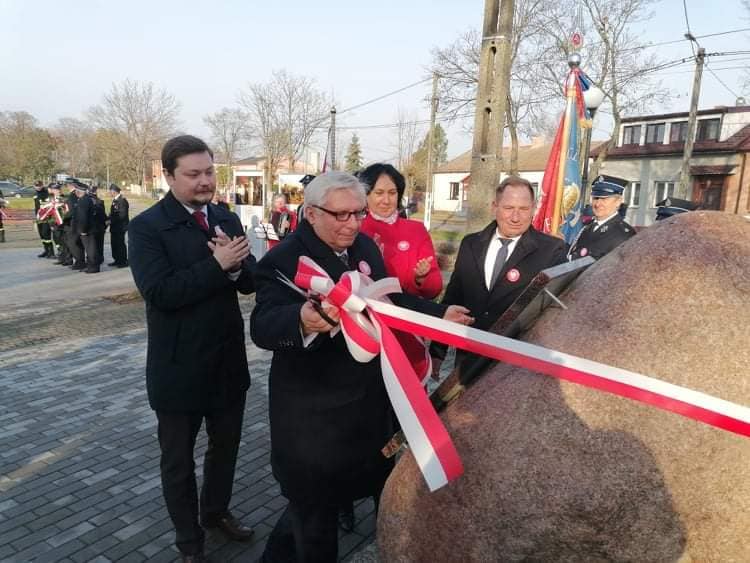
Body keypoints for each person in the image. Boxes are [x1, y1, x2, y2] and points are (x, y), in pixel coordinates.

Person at [250, 171, 472, 563]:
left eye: (357, 213)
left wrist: (439, 315)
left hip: (365, 411)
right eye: (341, 215)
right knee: (314, 521)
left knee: (318, 509)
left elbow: (391, 299)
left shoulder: (364, 246)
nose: (352, 224)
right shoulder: (282, 260)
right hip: (313, 422)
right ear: (312, 213)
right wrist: (301, 320)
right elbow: (263, 326)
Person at [128, 135, 256, 563]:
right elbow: (160, 292)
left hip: (225, 363)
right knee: (178, 462)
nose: (205, 182)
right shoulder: (147, 227)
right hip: (178, 367)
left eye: (209, 172)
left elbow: (251, 280)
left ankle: (216, 512)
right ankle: (189, 542)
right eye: (194, 174)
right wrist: (217, 266)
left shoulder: (226, 218)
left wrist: (237, 268)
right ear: (168, 176)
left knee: (227, 448)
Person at [430, 175, 568, 378]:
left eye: (523, 209)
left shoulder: (551, 250)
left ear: (533, 209)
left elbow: (553, 312)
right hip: (468, 356)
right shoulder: (471, 244)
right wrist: (437, 352)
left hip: (515, 363)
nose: (515, 217)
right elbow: (454, 296)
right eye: (508, 208)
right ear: (494, 207)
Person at [358, 163, 442, 300]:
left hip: (407, 313)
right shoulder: (356, 229)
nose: (386, 200)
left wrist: (421, 279)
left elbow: (435, 289)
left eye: (392, 193)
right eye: (379, 193)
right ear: (366, 196)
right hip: (366, 312)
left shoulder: (416, 230)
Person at [568, 175, 636, 260]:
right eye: (595, 198)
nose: (597, 204)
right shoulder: (588, 227)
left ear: (618, 202)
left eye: (604, 199)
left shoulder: (623, 234)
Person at [108, 184, 129, 267]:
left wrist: (111, 221)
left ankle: (123, 261)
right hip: (115, 227)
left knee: (120, 244)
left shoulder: (122, 201)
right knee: (114, 244)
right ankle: (117, 260)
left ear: (114, 191)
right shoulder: (115, 200)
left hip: (120, 227)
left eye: (111, 191)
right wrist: (108, 218)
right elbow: (113, 213)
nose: (110, 193)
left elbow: (122, 215)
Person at [33, 181, 54, 258]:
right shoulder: (35, 194)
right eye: (36, 186)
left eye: (39, 185)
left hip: (46, 217)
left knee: (46, 234)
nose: (38, 187)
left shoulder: (47, 193)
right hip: (39, 217)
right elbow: (36, 207)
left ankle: (51, 252)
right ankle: (46, 250)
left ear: (42, 185)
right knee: (41, 234)